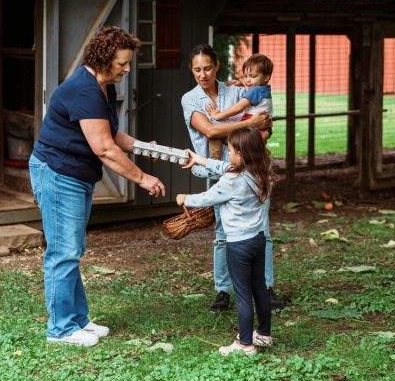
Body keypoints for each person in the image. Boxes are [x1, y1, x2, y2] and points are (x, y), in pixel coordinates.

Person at [30, 26, 166, 347]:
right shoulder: (85, 90)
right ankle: (60, 329)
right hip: (58, 174)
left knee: (71, 249)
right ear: (104, 59)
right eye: (122, 63)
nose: (127, 69)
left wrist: (145, 148)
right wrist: (143, 178)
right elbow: (104, 148)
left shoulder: (103, 87)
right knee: (63, 251)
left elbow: (113, 134)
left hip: (75, 176)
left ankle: (77, 320)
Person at [181, 44, 283, 312]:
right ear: (192, 71)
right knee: (223, 232)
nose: (203, 74)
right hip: (220, 169)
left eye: (207, 68)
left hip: (252, 167)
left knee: (262, 229)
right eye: (197, 70)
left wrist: (260, 129)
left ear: (216, 67)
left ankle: (266, 286)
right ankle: (223, 291)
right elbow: (211, 131)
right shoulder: (190, 99)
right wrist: (249, 125)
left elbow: (267, 123)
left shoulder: (238, 90)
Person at [177, 127, 274, 356]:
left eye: (230, 150)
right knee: (259, 288)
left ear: (240, 153)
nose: (227, 154)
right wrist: (200, 159)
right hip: (257, 239)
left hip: (238, 245)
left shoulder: (232, 181)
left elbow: (207, 197)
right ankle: (264, 334)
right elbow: (224, 167)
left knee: (242, 294)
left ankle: (244, 344)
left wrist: (185, 198)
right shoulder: (259, 172)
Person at [205, 53, 274, 160]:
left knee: (216, 136)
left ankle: (214, 163)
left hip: (249, 132)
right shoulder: (265, 89)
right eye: (245, 76)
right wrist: (241, 83)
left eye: (253, 76)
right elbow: (253, 91)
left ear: (266, 77)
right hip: (259, 131)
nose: (247, 80)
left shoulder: (256, 91)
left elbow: (237, 108)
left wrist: (218, 115)